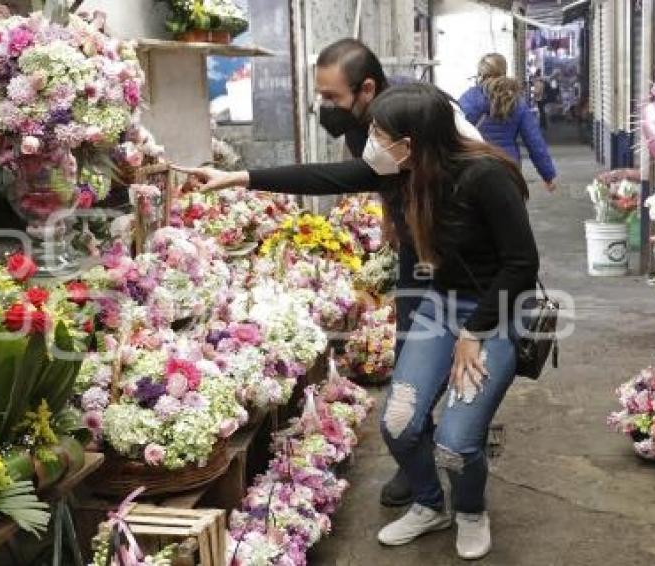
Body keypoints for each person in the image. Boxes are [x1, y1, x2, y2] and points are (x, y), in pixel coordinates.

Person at [176, 83, 539, 560]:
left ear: (411, 143)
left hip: (493, 314)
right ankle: (432, 505)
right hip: (439, 307)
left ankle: (470, 510)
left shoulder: (486, 176)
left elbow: (521, 264)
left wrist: (473, 334)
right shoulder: (401, 173)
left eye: (380, 134)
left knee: (455, 442)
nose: (371, 143)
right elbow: (323, 176)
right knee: (399, 422)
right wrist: (236, 177)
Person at [313, 38, 483, 509]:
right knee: (411, 343)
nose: (323, 106)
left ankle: (460, 443)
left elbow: (481, 172)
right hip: (415, 247)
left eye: (331, 97)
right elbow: (378, 178)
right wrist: (393, 220)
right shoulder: (356, 124)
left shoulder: (429, 112)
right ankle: (417, 455)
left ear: (366, 88)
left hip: (457, 251)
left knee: (464, 347)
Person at [459, 53, 557, 193]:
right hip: (509, 166)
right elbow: (534, 141)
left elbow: (457, 131)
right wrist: (548, 175)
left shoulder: (469, 98)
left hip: (476, 164)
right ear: (504, 71)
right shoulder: (517, 101)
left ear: (481, 73)